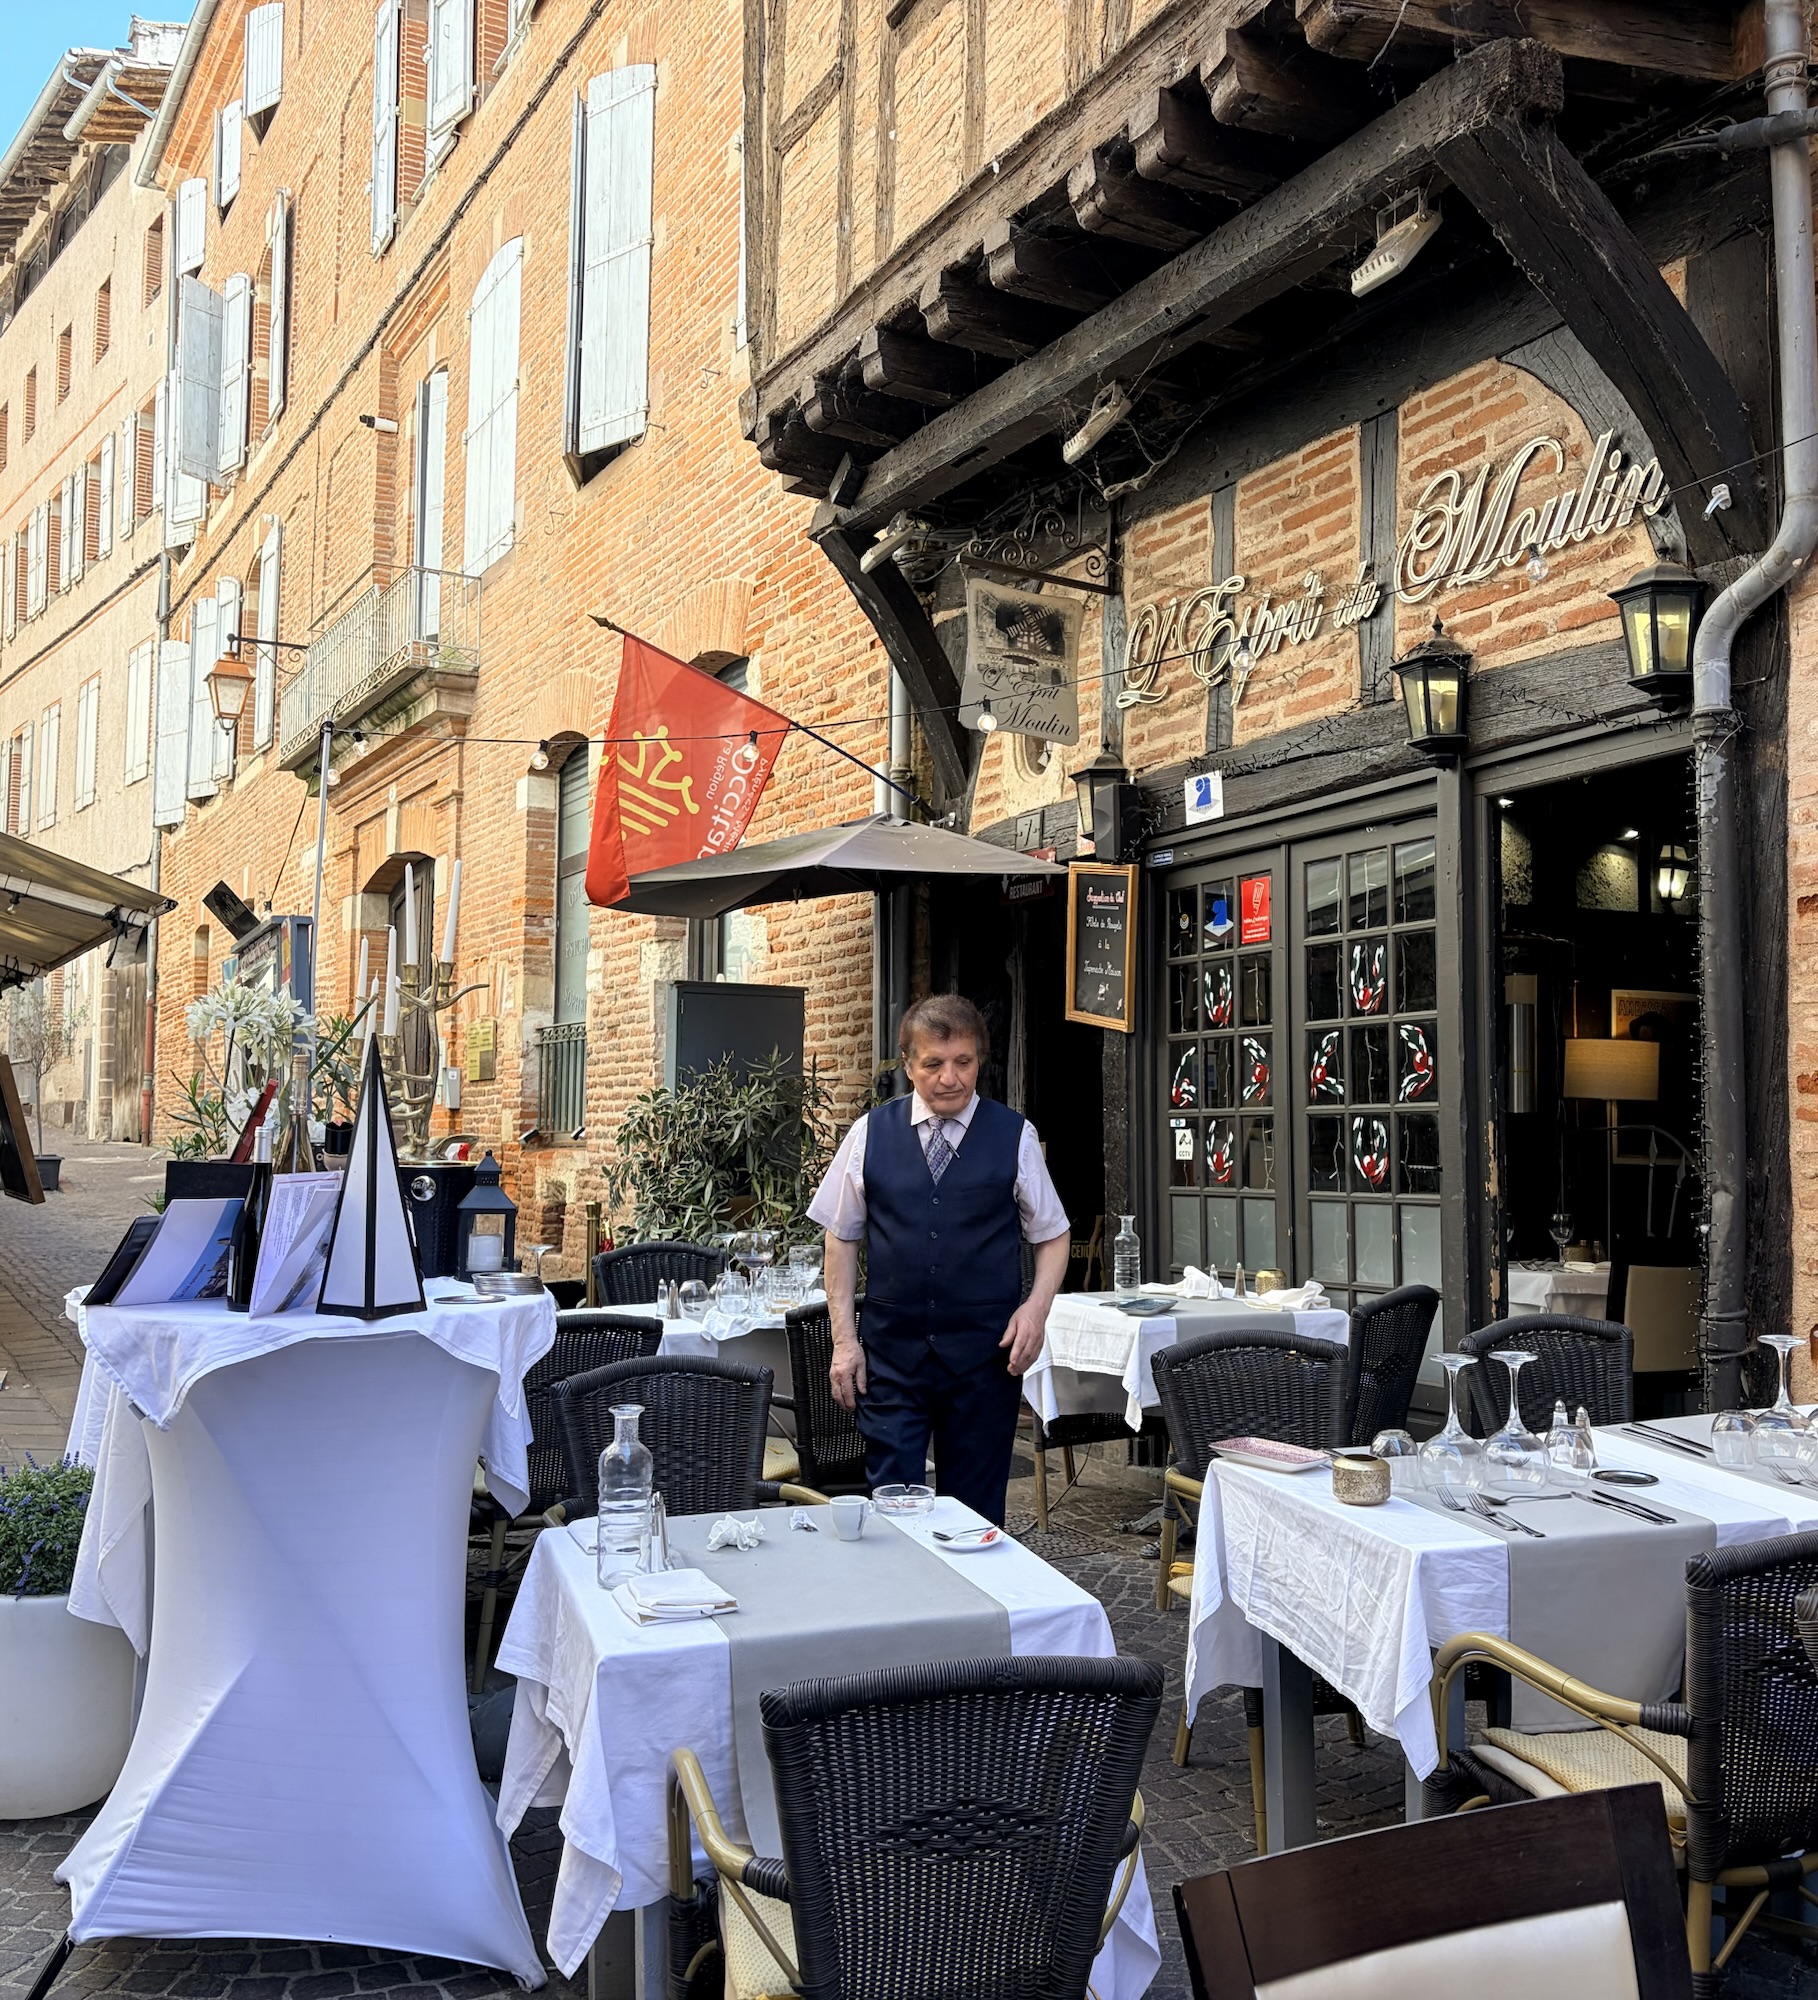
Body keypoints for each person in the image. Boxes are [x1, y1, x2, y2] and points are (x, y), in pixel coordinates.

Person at [807, 994, 1071, 1525]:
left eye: (963, 1062)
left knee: (976, 1517)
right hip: (891, 1358)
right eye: (933, 1064)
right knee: (894, 1511)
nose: (950, 1078)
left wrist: (1036, 1309)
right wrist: (844, 1342)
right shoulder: (869, 1134)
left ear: (979, 1061)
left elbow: (1053, 1235)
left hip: (985, 1359)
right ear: (908, 1066)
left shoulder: (1014, 1135)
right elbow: (841, 1238)